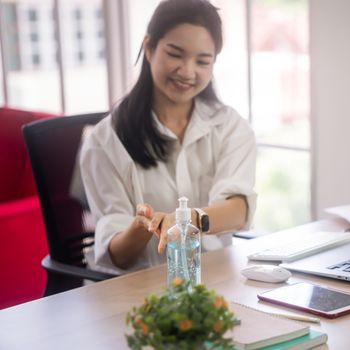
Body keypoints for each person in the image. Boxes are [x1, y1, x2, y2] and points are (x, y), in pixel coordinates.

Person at [80, 0, 257, 273]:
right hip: (141, 292)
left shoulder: (230, 126)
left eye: (202, 61)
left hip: (214, 280)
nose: (187, 71)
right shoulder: (105, 141)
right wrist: (142, 227)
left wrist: (190, 219)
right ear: (149, 47)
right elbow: (118, 256)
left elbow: (238, 209)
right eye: (175, 54)